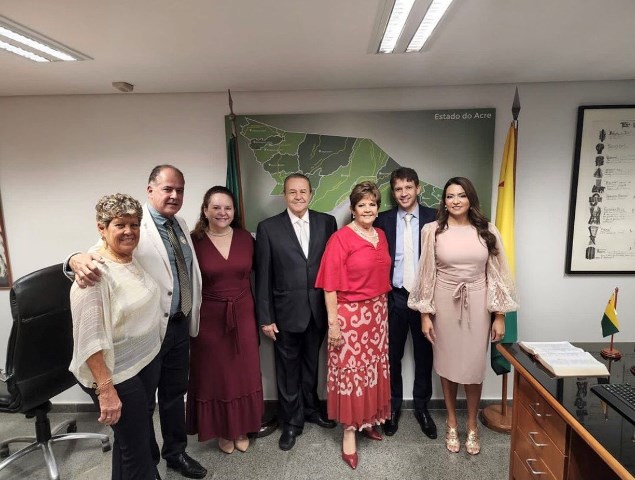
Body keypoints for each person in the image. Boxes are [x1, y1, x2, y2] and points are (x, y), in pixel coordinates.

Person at [67, 165, 207, 479]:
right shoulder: (134, 224)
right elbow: (96, 255)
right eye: (167, 189)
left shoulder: (180, 224)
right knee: (141, 410)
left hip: (178, 324)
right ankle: (147, 461)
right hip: (150, 331)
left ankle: (176, 453)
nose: (174, 195)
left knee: (174, 394)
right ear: (150, 190)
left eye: (179, 190)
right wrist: (74, 258)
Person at [407, 177, 518, 455]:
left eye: (461, 195)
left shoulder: (487, 230)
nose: (455, 201)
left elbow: (497, 274)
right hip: (444, 304)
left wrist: (499, 315)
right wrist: (425, 314)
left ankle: (471, 425)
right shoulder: (432, 230)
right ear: (444, 201)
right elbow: (426, 273)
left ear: (470, 199)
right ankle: (452, 423)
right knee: (447, 365)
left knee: (473, 368)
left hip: (478, 304)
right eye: (450, 196)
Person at [69, 193, 162, 479]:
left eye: (134, 225)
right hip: (116, 374)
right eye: (120, 225)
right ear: (102, 228)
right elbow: (89, 340)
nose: (128, 231)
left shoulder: (127, 258)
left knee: (132, 441)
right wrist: (106, 391)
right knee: (136, 450)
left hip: (141, 363)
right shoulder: (93, 275)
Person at [255, 172, 338, 452]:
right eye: (292, 192)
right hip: (284, 312)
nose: (298, 196)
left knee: (311, 364)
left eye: (303, 191)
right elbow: (263, 275)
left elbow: (333, 268)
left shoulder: (327, 222)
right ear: (285, 195)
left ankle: (311, 410)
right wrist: (266, 317)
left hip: (318, 310)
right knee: (287, 369)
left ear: (311, 194)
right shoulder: (268, 228)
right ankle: (291, 421)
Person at [315, 181, 392, 469]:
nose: (367, 209)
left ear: (377, 208)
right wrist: (334, 325)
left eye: (372, 204)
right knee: (352, 373)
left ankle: (367, 420)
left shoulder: (381, 235)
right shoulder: (340, 239)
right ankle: (349, 431)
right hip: (350, 317)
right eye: (362, 204)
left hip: (378, 314)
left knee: (372, 370)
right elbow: (329, 286)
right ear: (352, 209)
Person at [186, 186, 264, 453]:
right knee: (216, 376)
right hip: (209, 319)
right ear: (205, 210)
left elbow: (261, 275)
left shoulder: (246, 238)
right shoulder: (193, 241)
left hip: (243, 315)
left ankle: (242, 427)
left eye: (228, 208)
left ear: (234, 211)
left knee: (244, 374)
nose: (222, 212)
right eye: (216, 207)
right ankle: (222, 430)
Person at [374, 167, 437, 438]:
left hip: (425, 299)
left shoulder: (435, 218)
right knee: (392, 357)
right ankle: (392, 408)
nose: (403, 193)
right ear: (393, 192)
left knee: (424, 356)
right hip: (395, 297)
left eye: (408, 187)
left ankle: (422, 408)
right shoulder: (382, 220)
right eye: (398, 189)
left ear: (418, 188)